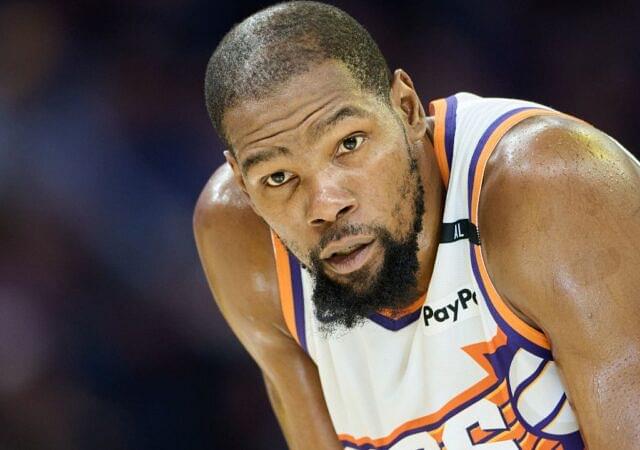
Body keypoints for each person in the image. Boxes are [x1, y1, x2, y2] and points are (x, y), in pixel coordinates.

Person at [194, 2, 640, 448]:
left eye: (349, 143)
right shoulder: (242, 243)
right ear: (244, 185)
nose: (326, 206)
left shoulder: (552, 188)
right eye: (278, 177)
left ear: (406, 109)